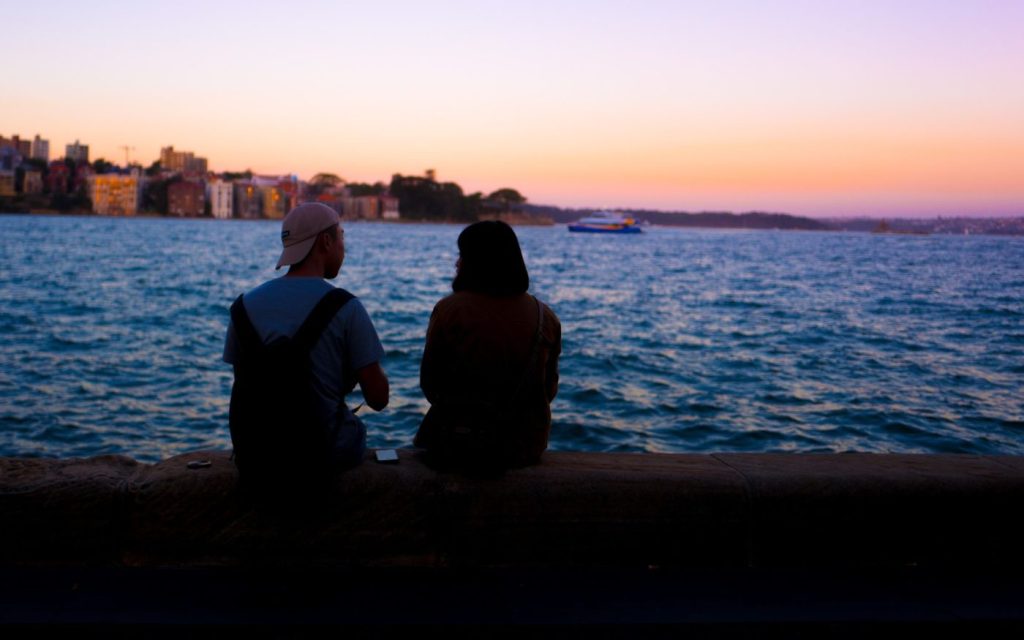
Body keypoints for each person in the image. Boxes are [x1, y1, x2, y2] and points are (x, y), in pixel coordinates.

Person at [223, 202, 388, 481]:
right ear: (326, 241)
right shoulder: (346, 307)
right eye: (342, 236)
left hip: (255, 456)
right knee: (355, 429)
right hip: (319, 454)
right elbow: (379, 398)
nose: (343, 247)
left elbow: (246, 382)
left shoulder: (243, 306)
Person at [414, 220, 561, 471]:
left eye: (462, 256)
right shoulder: (545, 317)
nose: (456, 263)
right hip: (525, 446)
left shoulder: (450, 311)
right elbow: (548, 391)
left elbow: (431, 386)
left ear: (475, 263)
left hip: (460, 443)